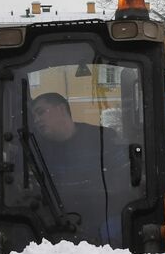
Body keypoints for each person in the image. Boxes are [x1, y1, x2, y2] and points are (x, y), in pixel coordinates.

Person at [28, 92, 131, 244]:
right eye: (34, 117)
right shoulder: (35, 151)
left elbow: (127, 177)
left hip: (104, 216)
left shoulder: (103, 139)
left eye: (41, 112)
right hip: (57, 224)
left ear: (62, 110)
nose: (36, 120)